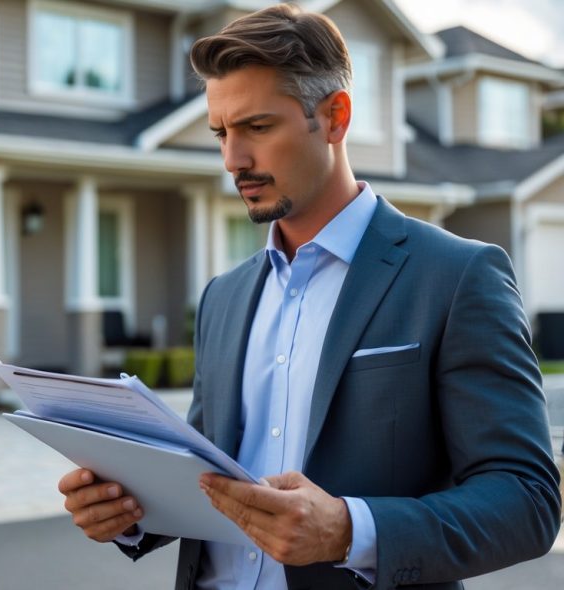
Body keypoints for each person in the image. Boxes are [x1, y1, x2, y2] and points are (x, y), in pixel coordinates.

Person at [57, 4, 561, 589]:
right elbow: (208, 480)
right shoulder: (223, 299)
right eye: (222, 132)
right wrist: (127, 511)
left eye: (257, 127)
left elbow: (527, 499)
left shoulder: (456, 276)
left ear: (335, 117)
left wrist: (351, 530)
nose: (232, 159)